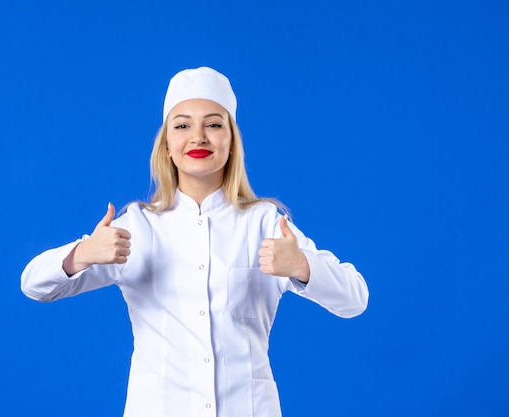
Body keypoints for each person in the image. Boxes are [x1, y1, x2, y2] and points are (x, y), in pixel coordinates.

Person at [21, 66, 369, 417]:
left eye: (214, 124)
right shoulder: (139, 227)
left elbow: (355, 298)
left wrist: (303, 266)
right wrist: (82, 254)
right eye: (183, 125)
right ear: (167, 144)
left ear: (231, 142)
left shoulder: (264, 222)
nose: (198, 137)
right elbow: (34, 284)